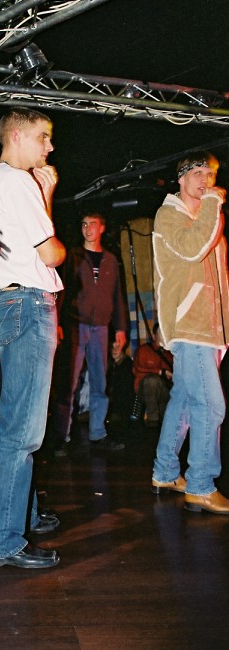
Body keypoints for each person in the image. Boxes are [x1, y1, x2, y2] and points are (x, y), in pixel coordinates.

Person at [0, 107, 66, 569]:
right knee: (22, 432)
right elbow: (51, 253)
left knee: (16, 422)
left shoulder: (0, 181)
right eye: (42, 137)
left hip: (10, 301)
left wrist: (44, 193)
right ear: (16, 135)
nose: (49, 146)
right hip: (28, 303)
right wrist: (45, 194)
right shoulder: (17, 181)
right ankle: (1, 541)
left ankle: (23, 515)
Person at [151, 151, 229, 515]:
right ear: (180, 178)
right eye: (197, 172)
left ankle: (165, 471)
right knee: (210, 406)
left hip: (209, 328)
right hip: (190, 325)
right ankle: (200, 485)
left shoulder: (206, 217)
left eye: (210, 174)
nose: (205, 180)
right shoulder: (169, 215)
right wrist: (213, 204)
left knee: (183, 400)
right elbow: (193, 249)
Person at [54, 212, 127, 456]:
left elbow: (117, 295)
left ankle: (98, 433)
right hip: (76, 326)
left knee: (100, 383)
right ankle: (62, 436)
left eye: (92, 224)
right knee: (69, 382)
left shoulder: (111, 260)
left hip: (101, 328)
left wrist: (120, 329)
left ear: (102, 228)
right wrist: (58, 322)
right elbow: (62, 289)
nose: (87, 229)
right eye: (84, 224)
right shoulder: (72, 256)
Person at [133, 322, 173, 428]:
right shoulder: (143, 350)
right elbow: (138, 368)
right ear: (154, 335)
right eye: (161, 333)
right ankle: (152, 420)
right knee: (152, 380)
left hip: (164, 392)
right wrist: (160, 372)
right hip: (145, 392)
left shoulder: (170, 354)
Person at [106, 340, 135, 424]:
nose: (114, 350)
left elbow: (124, 390)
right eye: (112, 347)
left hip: (122, 409)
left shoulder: (127, 365)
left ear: (123, 349)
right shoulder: (110, 364)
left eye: (117, 347)